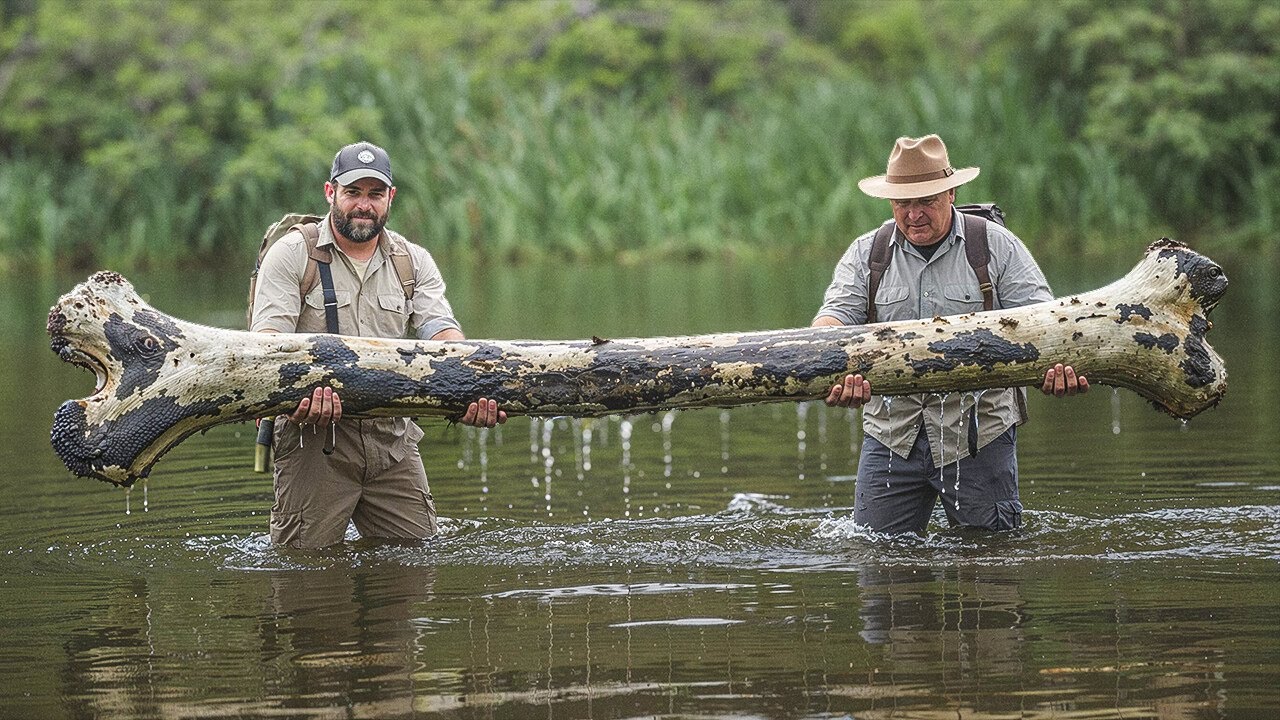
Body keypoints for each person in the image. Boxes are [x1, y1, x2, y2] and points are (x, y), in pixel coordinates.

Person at [812, 134, 1086, 535]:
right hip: (891, 437)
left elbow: (1048, 325)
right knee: (879, 569)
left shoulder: (996, 246)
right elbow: (832, 319)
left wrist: (1062, 368)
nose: (914, 214)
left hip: (980, 438)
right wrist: (829, 367)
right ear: (890, 202)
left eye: (926, 201)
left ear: (951, 192)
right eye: (904, 203)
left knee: (991, 573)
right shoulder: (867, 254)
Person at [250, 141, 505, 549]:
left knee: (417, 564)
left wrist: (472, 387)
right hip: (314, 440)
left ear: (391, 198)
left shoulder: (412, 260)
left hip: (394, 440)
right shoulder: (292, 254)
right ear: (330, 193)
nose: (363, 206)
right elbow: (266, 345)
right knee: (305, 578)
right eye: (353, 192)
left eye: (375, 194)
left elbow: (441, 331)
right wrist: (300, 391)